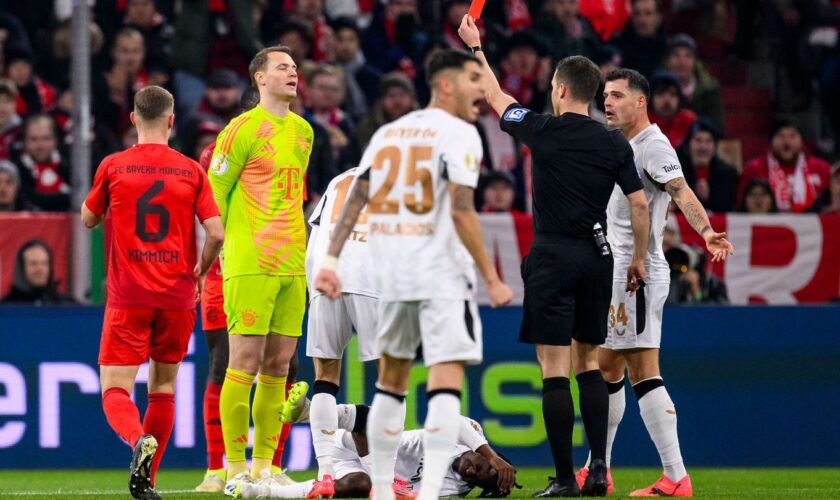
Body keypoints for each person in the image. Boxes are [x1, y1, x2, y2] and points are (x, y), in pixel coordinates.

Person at [460, 15, 650, 497]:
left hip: (552, 254)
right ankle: (601, 469)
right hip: (598, 256)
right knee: (590, 363)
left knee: (553, 370)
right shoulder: (613, 140)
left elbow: (495, 97)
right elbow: (639, 202)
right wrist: (638, 258)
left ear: (561, 89)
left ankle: (566, 478)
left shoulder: (541, 128)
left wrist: (477, 47)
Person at [313, 48, 515, 500]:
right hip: (437, 274)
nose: (480, 93)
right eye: (471, 82)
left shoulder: (389, 132)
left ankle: (385, 487)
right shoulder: (461, 135)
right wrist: (491, 275)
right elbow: (462, 211)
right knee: (444, 381)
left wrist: (329, 260)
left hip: (391, 274)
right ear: (446, 85)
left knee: (392, 386)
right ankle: (423, 494)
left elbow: (357, 197)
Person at [581, 68, 734, 497]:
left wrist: (705, 233)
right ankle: (600, 469)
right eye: (604, 95)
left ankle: (675, 475)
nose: (606, 102)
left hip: (638, 273)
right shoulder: (620, 143)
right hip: (618, 272)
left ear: (640, 102)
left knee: (643, 371)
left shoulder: (653, 145)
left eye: (615, 96)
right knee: (608, 367)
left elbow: (681, 190)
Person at [81, 85, 224, 500]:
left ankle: (136, 439)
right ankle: (148, 481)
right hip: (178, 297)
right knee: (162, 389)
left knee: (115, 389)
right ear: (172, 121)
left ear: (132, 120)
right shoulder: (191, 170)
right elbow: (216, 231)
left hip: (129, 296)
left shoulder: (114, 165)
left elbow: (89, 218)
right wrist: (200, 271)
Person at [208, 46, 314, 494]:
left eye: (295, 68)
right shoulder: (239, 130)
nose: (292, 73)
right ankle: (234, 468)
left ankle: (265, 467)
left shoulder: (305, 132)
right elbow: (212, 197)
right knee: (243, 364)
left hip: (294, 264)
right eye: (282, 68)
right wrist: (220, 255)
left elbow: (296, 199)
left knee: (279, 367)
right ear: (259, 78)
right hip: (251, 262)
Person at [302, 166, 390, 498]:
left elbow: (315, 227)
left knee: (325, 377)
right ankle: (386, 478)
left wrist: (314, 287)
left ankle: (325, 475)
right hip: (368, 273)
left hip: (324, 270)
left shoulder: (338, 179)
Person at [241, 404, 516, 499]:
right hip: (356, 441)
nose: (469, 471)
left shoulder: (453, 488)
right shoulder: (470, 433)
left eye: (474, 478)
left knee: (357, 485)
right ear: (482, 454)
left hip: (366, 469)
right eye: (478, 466)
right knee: (377, 425)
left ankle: (262, 490)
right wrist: (495, 459)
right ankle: (310, 411)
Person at [738, 117, 833, 213]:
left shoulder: (822, 169)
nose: (787, 142)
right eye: (781, 136)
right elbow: (741, 207)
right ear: (771, 141)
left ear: (802, 141)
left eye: (792, 136)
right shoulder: (753, 169)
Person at [664, 34, 725, 136]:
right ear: (668, 61)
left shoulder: (709, 90)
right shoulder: (657, 89)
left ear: (695, 62)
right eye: (676, 55)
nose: (682, 62)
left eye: (687, 56)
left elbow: (718, 128)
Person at [677, 119, 739, 213]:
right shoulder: (675, 173)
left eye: (708, 141)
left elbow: (731, 210)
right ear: (688, 145)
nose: (703, 147)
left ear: (715, 146)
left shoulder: (728, 175)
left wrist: (711, 197)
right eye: (698, 140)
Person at [1, 239, 76, 304]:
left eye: (44, 264)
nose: (40, 270)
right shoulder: (6, 308)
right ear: (21, 268)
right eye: (33, 264)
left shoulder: (67, 306)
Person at [647, 71, 697, 149]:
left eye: (673, 94)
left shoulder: (689, 121)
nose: (667, 100)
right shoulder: (641, 122)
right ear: (650, 98)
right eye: (660, 94)